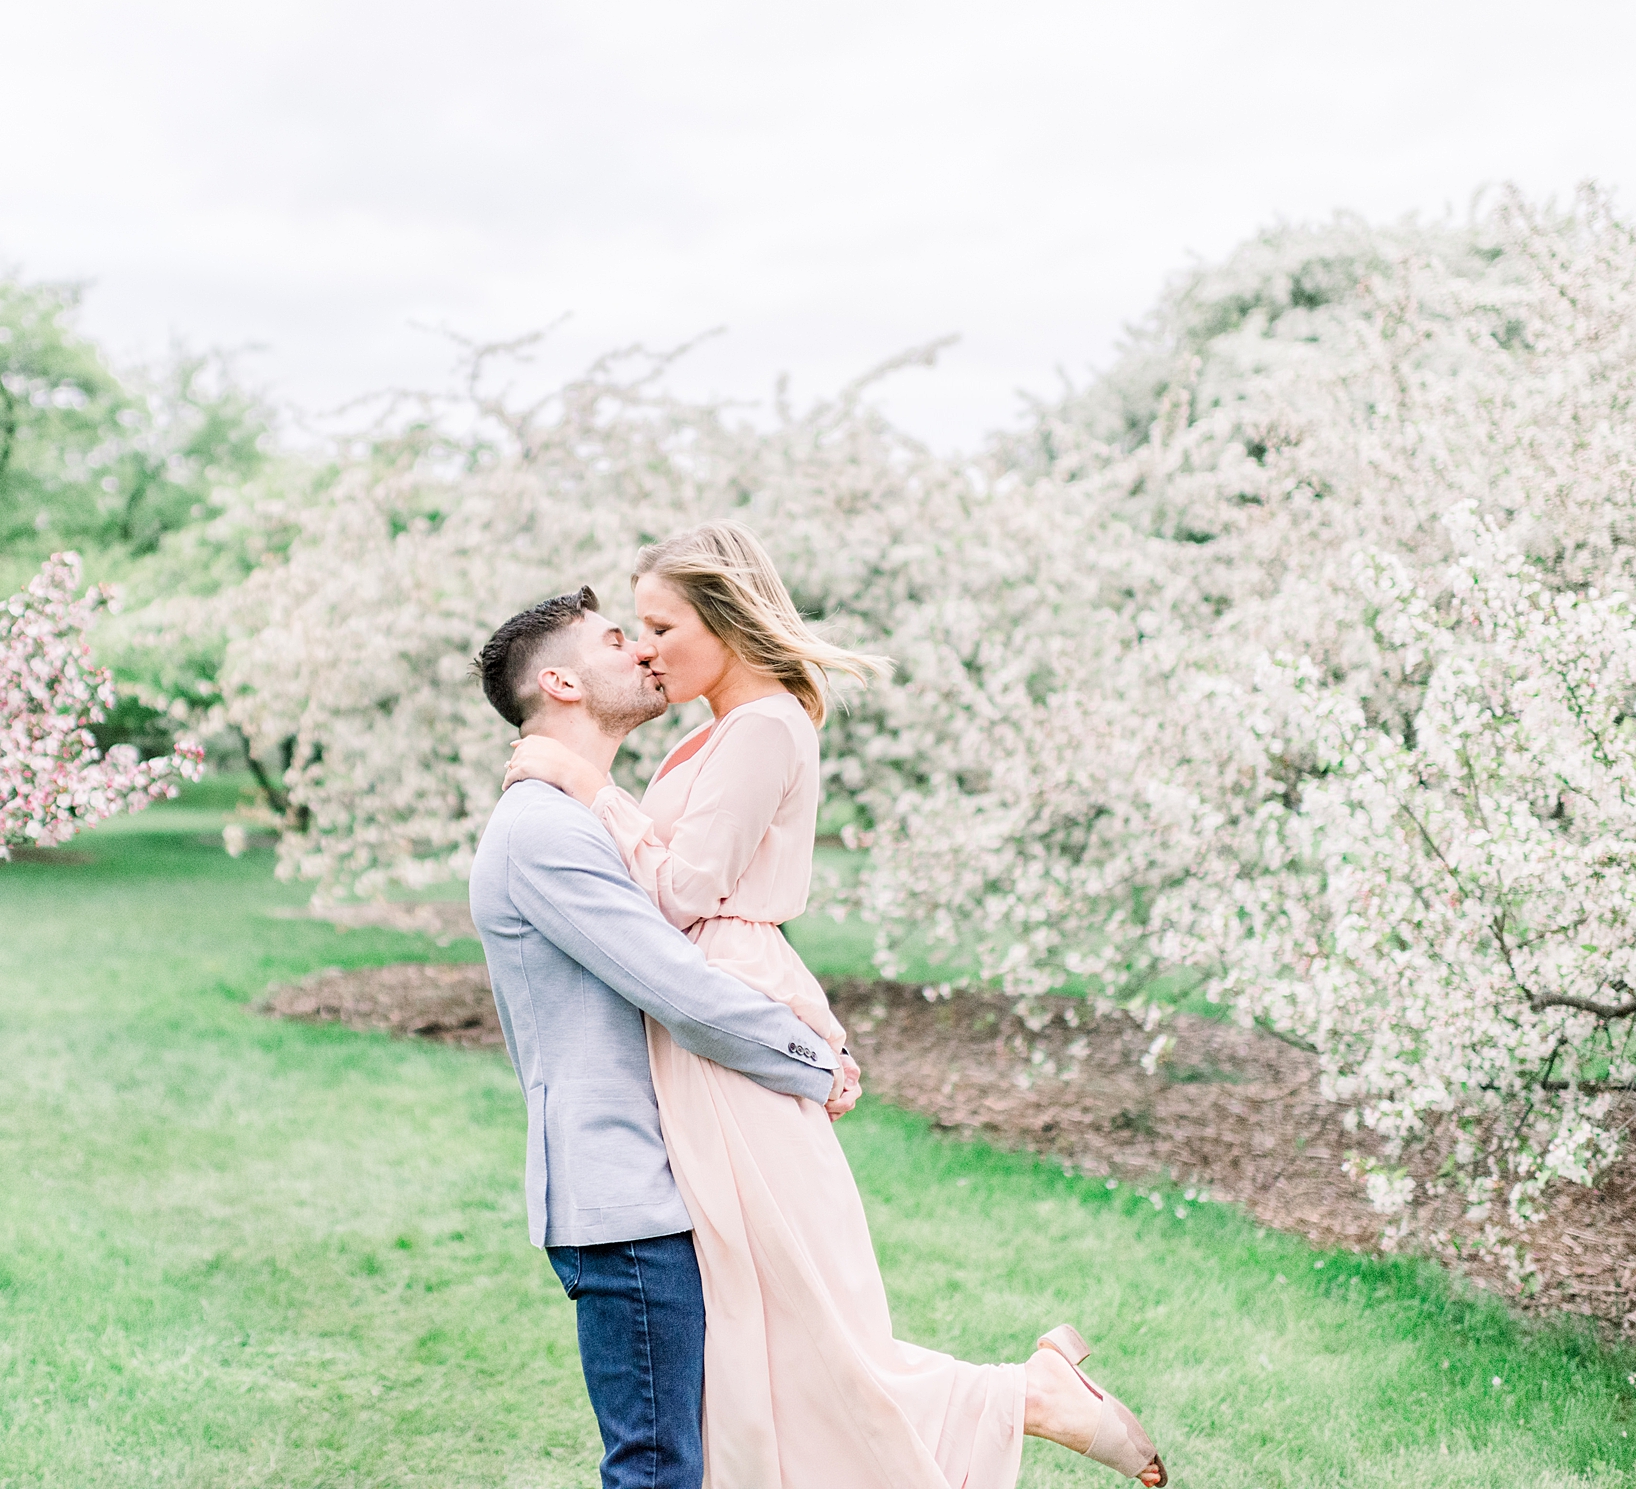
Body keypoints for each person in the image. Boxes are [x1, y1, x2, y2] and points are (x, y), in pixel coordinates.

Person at [502, 522, 1169, 1488]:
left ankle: (1027, 1399)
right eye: (634, 630)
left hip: (718, 1022)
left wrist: (585, 788)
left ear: (724, 621)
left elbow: (688, 894)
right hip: (712, 1014)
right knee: (755, 1324)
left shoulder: (765, 725)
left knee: (799, 1313)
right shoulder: (717, 735)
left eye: (658, 625)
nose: (644, 649)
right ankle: (1022, 1396)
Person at [468, 586, 860, 1489]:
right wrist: (811, 1057)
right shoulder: (542, 831)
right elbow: (676, 986)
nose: (645, 652)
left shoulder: (581, 814)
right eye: (619, 639)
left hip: (666, 1185)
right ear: (562, 681)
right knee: (655, 1469)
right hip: (627, 1204)